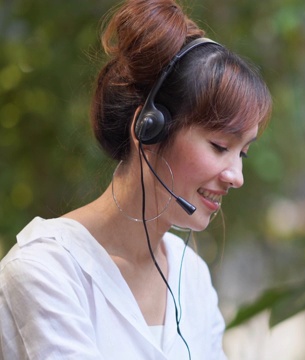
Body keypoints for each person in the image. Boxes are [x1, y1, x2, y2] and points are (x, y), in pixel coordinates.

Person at [0, 0, 271, 358]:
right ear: (148, 130)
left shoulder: (190, 275)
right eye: (220, 146)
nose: (236, 176)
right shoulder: (46, 271)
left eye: (243, 153)